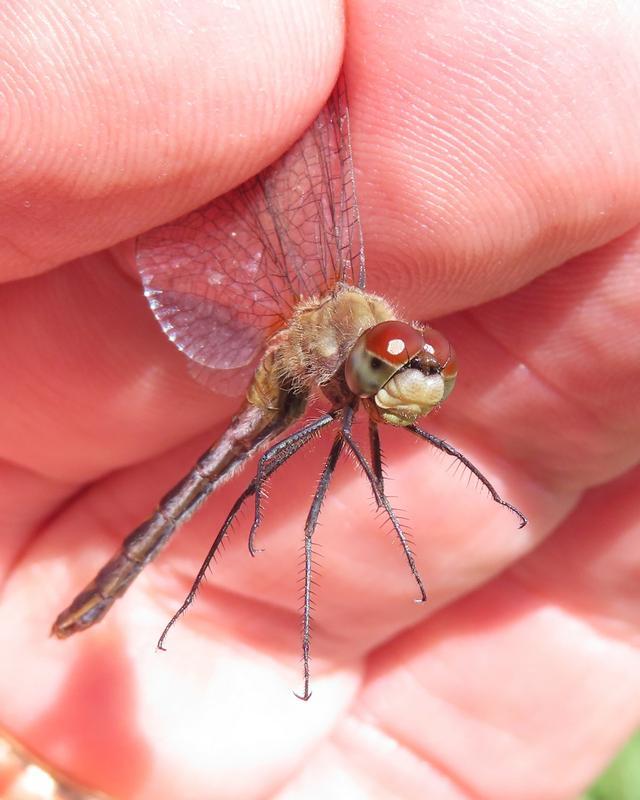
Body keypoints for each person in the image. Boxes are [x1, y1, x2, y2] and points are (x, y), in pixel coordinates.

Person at [1, 1, 639, 798]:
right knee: (258, 498)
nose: (417, 381)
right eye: (402, 364)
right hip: (265, 397)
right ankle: (154, 597)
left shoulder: (368, 353)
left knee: (280, 486)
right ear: (370, 358)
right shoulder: (336, 361)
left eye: (423, 365)